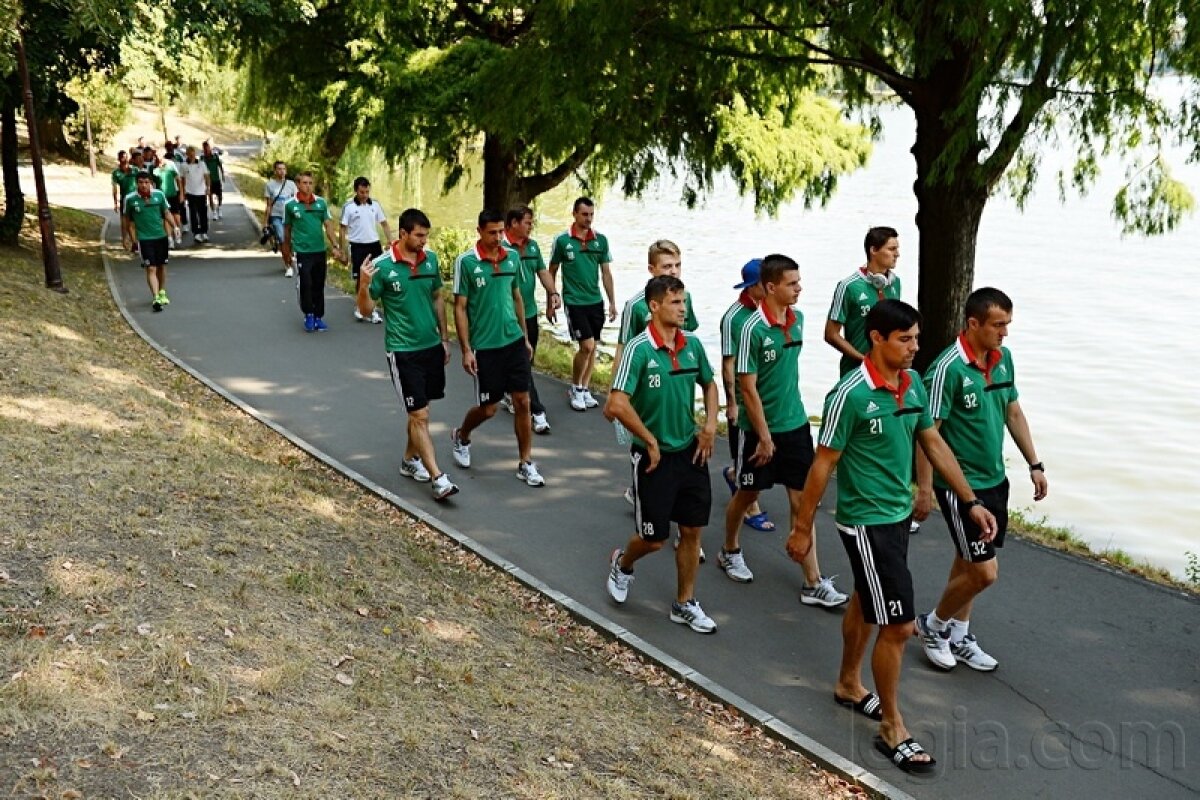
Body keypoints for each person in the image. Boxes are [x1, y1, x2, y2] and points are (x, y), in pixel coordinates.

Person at [785, 299, 997, 776]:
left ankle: (848, 683)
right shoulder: (850, 394)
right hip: (865, 521)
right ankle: (892, 728)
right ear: (876, 339)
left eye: (917, 339)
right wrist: (801, 528)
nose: (914, 347)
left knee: (867, 599)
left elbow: (933, 441)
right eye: (905, 339)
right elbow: (823, 463)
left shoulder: (912, 383)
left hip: (897, 514)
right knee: (898, 625)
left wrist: (968, 500)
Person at [913, 287, 1048, 672]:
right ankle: (933, 625)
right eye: (998, 325)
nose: (1005, 333)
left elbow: (1013, 412)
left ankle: (959, 634)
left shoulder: (1003, 359)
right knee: (984, 571)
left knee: (968, 560)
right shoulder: (947, 369)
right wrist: (925, 489)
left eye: (1008, 324)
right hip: (961, 486)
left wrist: (1035, 463)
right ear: (973, 323)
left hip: (994, 479)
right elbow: (928, 435)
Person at [720, 255, 849, 607]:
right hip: (758, 430)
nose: (799, 288)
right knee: (747, 494)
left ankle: (813, 581)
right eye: (792, 284)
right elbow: (748, 387)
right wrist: (763, 436)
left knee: (801, 501)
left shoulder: (799, 320)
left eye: (799, 282)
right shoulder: (751, 329)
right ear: (771, 287)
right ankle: (729, 549)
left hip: (795, 426)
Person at [604, 274, 720, 634]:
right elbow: (615, 403)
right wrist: (650, 441)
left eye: (684, 302)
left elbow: (710, 384)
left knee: (692, 530)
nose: (683, 309)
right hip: (652, 458)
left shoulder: (693, 345)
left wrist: (710, 425)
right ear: (654, 306)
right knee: (654, 539)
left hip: (690, 452)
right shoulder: (639, 349)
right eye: (675, 302)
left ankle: (684, 603)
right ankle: (623, 564)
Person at [358, 208, 459, 501]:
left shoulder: (431, 260)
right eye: (419, 235)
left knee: (421, 411)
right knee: (420, 414)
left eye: (426, 235)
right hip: (403, 351)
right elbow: (365, 310)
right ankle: (438, 478)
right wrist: (364, 284)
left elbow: (437, 298)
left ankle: (409, 460)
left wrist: (444, 338)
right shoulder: (381, 266)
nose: (424, 241)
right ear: (402, 233)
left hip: (431, 347)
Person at [449, 209, 545, 487]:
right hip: (485, 346)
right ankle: (462, 435)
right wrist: (466, 349)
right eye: (492, 232)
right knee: (489, 408)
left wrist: (525, 337)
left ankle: (526, 462)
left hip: (513, 341)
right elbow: (460, 307)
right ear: (479, 231)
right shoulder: (467, 262)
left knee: (523, 401)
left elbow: (516, 297)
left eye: (501, 231)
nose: (498, 237)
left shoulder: (512, 257)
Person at [614, 240, 699, 509]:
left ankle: (673, 498)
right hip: (645, 382)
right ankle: (640, 486)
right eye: (667, 266)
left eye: (677, 265)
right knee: (647, 437)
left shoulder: (685, 298)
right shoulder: (635, 305)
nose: (673, 271)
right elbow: (623, 346)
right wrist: (616, 389)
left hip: (675, 378)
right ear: (651, 269)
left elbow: (689, 338)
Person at [717, 259, 775, 534]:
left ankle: (734, 475)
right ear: (754, 286)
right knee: (749, 451)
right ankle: (751, 506)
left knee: (763, 451)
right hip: (744, 397)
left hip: (767, 395)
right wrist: (732, 403)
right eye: (766, 283)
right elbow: (728, 362)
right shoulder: (734, 318)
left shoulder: (771, 311)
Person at [549, 197, 616, 412]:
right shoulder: (562, 241)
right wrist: (552, 297)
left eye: (591, 214)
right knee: (586, 346)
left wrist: (612, 302)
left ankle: (585, 388)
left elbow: (606, 273)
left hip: (595, 301)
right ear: (575, 214)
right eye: (584, 214)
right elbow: (552, 270)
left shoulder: (601, 241)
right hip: (574, 301)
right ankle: (575, 387)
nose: (588, 219)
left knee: (593, 346)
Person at [500, 205, 559, 434]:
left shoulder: (532, 246)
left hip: (530, 313)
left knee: (528, 361)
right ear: (514, 223)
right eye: (527, 222)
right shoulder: (500, 248)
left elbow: (543, 272)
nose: (531, 226)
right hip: (509, 316)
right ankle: (537, 412)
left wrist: (553, 293)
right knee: (523, 362)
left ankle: (512, 392)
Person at [825, 226, 903, 376]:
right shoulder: (848, 286)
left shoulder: (895, 283)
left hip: (888, 369)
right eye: (892, 249)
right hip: (856, 371)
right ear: (873, 250)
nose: (897, 254)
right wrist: (863, 360)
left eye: (897, 249)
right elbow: (831, 334)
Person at [282, 171, 344, 331]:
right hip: (302, 252)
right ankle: (309, 314)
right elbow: (287, 230)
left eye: (310, 183)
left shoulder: (321, 203)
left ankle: (318, 316)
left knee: (318, 284)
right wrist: (286, 251)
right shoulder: (290, 205)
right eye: (304, 183)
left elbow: (328, 226)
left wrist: (335, 246)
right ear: (298, 184)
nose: (308, 186)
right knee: (306, 283)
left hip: (319, 251)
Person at [339, 177, 392, 324]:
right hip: (357, 245)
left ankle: (372, 309)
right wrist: (342, 250)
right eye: (362, 192)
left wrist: (391, 241)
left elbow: (384, 224)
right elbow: (342, 229)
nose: (365, 195)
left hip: (374, 244)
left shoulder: (375, 204)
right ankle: (360, 306)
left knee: (376, 277)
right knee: (361, 278)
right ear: (356, 190)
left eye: (367, 192)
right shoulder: (348, 207)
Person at [123, 173, 179, 312]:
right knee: (151, 268)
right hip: (144, 239)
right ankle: (156, 298)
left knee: (161, 266)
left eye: (146, 182)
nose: (143, 185)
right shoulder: (130, 199)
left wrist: (175, 227)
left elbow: (166, 213)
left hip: (161, 236)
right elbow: (128, 221)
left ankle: (162, 291)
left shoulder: (159, 195)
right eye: (141, 182)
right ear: (137, 183)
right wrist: (129, 238)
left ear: (151, 183)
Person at [262, 161, 298, 276]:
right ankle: (288, 265)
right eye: (279, 169)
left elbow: (297, 201)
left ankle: (289, 256)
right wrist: (265, 223)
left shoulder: (291, 185)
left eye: (283, 169)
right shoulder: (270, 185)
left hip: (290, 216)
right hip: (276, 216)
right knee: (282, 239)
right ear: (275, 171)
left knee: (291, 240)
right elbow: (268, 205)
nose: (282, 171)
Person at [179, 146, 210, 244]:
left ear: (195, 154)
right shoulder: (183, 165)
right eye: (189, 153)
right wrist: (183, 192)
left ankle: (204, 232)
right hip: (190, 192)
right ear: (187, 154)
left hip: (201, 192)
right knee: (193, 213)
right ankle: (196, 233)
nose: (191, 155)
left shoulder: (201, 164)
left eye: (193, 153)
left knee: (203, 213)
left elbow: (206, 176)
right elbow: (182, 179)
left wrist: (208, 187)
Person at [153, 148, 183, 246]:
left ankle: (177, 232)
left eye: (159, 154)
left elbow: (178, 179)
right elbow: (152, 183)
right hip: (161, 197)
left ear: (163, 154)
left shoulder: (170, 164)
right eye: (156, 155)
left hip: (172, 194)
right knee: (166, 217)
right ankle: (170, 239)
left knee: (176, 217)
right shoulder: (154, 167)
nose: (158, 157)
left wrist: (181, 193)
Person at [111, 150, 139, 251]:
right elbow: (114, 188)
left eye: (126, 156)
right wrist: (115, 202)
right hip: (125, 199)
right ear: (119, 159)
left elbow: (141, 182)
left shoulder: (135, 170)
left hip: (136, 198)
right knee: (125, 222)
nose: (125, 158)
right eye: (122, 157)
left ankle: (135, 241)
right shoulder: (116, 173)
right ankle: (125, 240)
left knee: (135, 221)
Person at [201, 140, 225, 219]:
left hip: (216, 179)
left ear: (209, 148)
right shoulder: (202, 158)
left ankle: (219, 208)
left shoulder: (215, 156)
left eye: (207, 147)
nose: (206, 150)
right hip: (208, 181)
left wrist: (223, 175)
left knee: (219, 195)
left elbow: (220, 166)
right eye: (204, 148)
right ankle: (214, 212)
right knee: (210, 196)